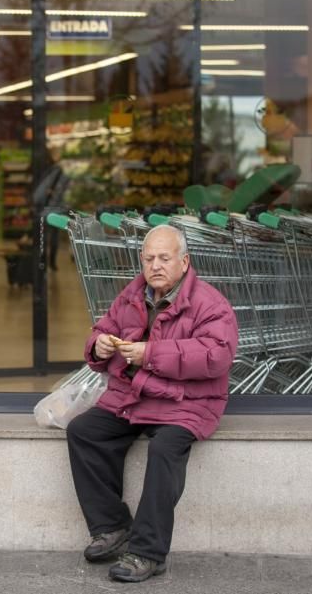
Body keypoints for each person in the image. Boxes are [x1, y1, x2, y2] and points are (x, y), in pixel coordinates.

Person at [67, 224, 238, 583]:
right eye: (148, 259)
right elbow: (103, 328)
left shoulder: (210, 304)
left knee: (164, 450)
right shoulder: (131, 295)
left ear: (184, 261)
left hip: (187, 402)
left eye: (164, 258)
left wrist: (150, 354)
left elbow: (215, 355)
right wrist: (97, 346)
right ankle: (112, 527)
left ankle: (148, 552)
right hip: (135, 397)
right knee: (84, 432)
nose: (155, 265)